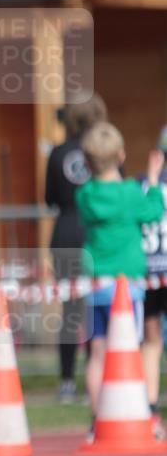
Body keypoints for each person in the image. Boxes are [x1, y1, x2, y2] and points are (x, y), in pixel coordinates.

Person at [75, 122, 164, 434]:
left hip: (96, 285)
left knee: (97, 353)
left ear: (87, 163)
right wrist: (152, 180)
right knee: (132, 349)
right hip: (128, 290)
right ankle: (137, 414)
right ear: (122, 155)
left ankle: (98, 419)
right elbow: (154, 210)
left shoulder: (85, 194)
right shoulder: (129, 193)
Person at [45, 95, 107, 403]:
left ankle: (67, 381)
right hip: (95, 232)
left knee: (70, 312)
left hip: (65, 233)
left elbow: (50, 198)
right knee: (97, 307)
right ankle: (98, 377)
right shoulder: (104, 150)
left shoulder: (58, 152)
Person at [139, 125, 167, 439]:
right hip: (156, 273)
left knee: (151, 341)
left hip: (148, 273)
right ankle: (149, 409)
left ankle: (150, 408)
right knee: (152, 340)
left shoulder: (142, 185)